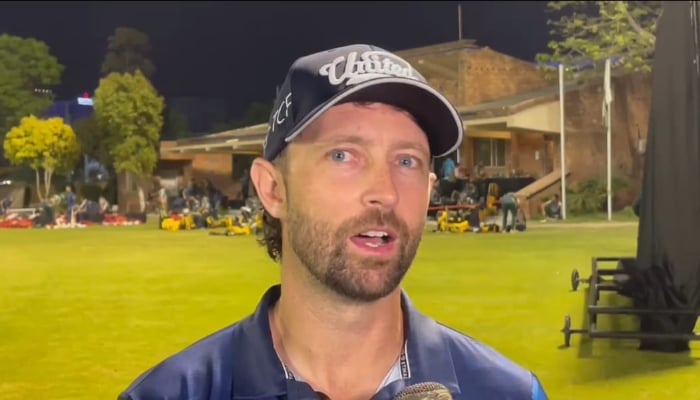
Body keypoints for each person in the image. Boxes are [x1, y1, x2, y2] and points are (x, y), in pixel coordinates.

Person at [118, 44, 547, 400]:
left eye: (407, 161)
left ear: (430, 188)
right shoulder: (172, 394)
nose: (386, 192)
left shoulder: (507, 393)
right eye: (343, 155)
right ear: (273, 189)